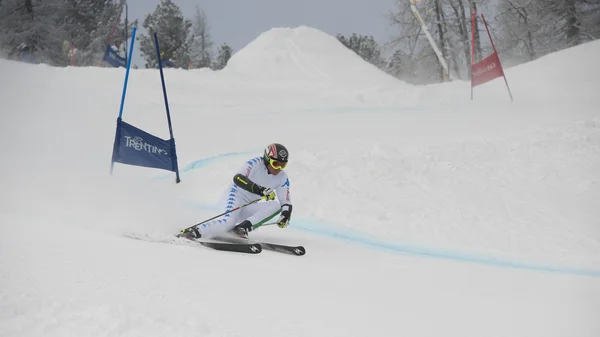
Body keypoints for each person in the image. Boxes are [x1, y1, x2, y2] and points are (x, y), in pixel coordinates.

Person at [179, 143, 293, 240]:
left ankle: (241, 229)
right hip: (235, 197)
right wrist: (260, 190)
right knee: (228, 222)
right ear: (267, 159)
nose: (279, 169)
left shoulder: (282, 177)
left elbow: (285, 201)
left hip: (249, 206)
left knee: (276, 206)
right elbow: (238, 178)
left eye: (283, 165)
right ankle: (194, 232)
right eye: (276, 164)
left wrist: (285, 214)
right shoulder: (254, 163)